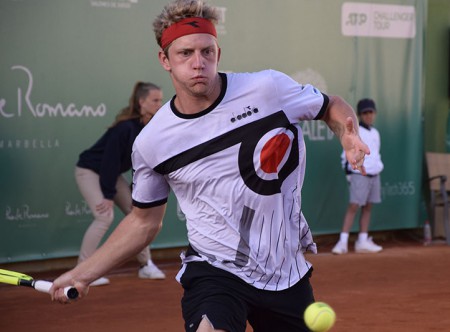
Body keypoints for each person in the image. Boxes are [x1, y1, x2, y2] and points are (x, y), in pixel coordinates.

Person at [51, 1, 369, 331]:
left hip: (283, 271)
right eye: (185, 53)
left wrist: (348, 134)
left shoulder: (268, 90)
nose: (198, 63)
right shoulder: (153, 142)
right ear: (165, 60)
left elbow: (330, 105)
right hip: (216, 269)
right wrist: (82, 273)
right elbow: (144, 222)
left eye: (207, 52)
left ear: (218, 52)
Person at [74, 81, 166, 285]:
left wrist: (136, 190)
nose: (160, 104)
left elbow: (140, 163)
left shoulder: (148, 128)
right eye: (155, 100)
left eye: (160, 99)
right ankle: (83, 270)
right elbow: (110, 161)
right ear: (141, 102)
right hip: (89, 171)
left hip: (111, 173)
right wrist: (107, 195)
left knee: (139, 214)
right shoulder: (124, 128)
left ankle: (145, 266)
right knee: (104, 216)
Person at [332, 98, 384, 255]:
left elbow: (375, 153)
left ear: (374, 113)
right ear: (360, 115)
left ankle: (362, 240)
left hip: (375, 174)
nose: (368, 115)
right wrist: (348, 174)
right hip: (358, 174)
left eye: (371, 112)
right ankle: (342, 242)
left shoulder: (375, 133)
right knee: (354, 206)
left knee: (368, 207)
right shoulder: (355, 133)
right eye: (365, 113)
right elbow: (345, 155)